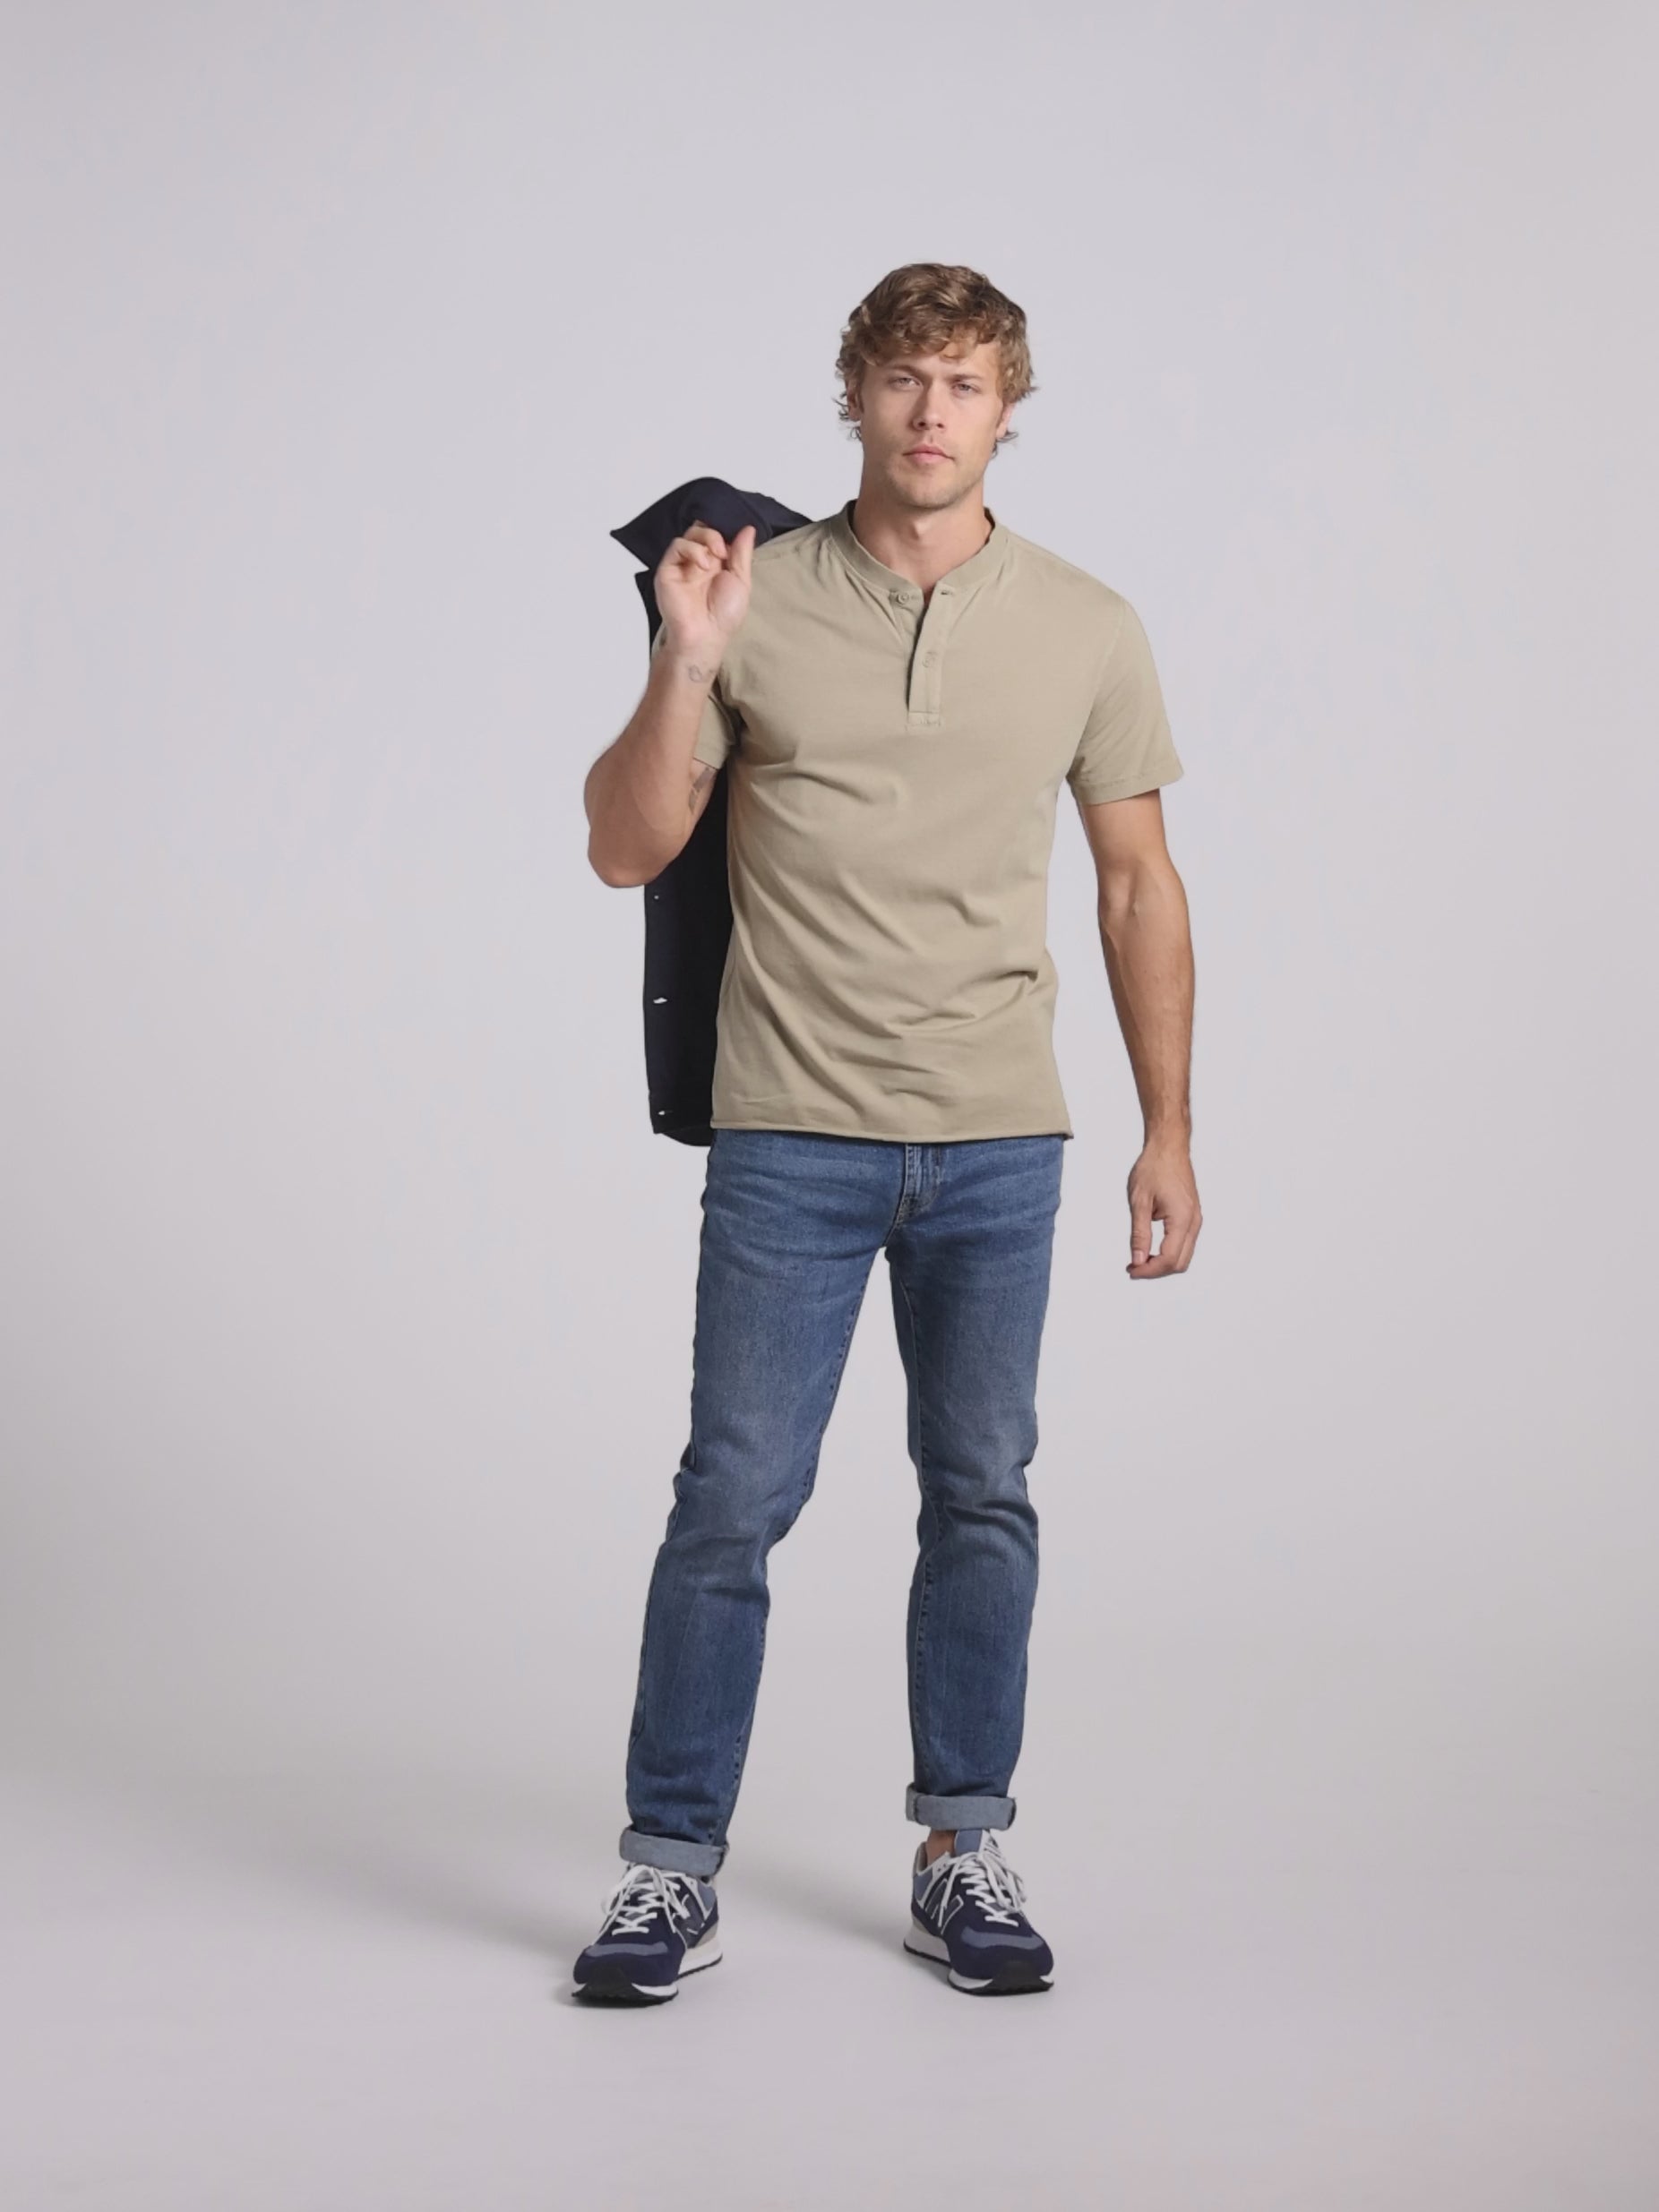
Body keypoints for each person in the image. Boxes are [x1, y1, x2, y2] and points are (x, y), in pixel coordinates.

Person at [575, 262, 1200, 2003]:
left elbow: (1138, 882)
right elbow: (625, 845)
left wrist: (1167, 1126)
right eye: (905, 376)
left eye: (966, 381)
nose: (933, 410)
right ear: (852, 394)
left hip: (1000, 1139)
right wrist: (686, 661)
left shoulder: (1086, 624)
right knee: (731, 1496)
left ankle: (960, 1845)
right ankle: (667, 1869)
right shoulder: (747, 594)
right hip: (790, 1132)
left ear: (1008, 410)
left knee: (981, 1492)